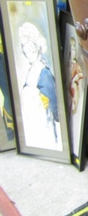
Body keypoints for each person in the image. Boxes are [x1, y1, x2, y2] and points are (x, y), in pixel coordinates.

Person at [18, 22, 61, 150]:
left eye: (30, 48)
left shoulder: (43, 72)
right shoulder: (31, 70)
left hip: (42, 123)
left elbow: (52, 100)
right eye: (25, 48)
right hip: (32, 123)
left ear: (37, 47)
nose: (27, 51)